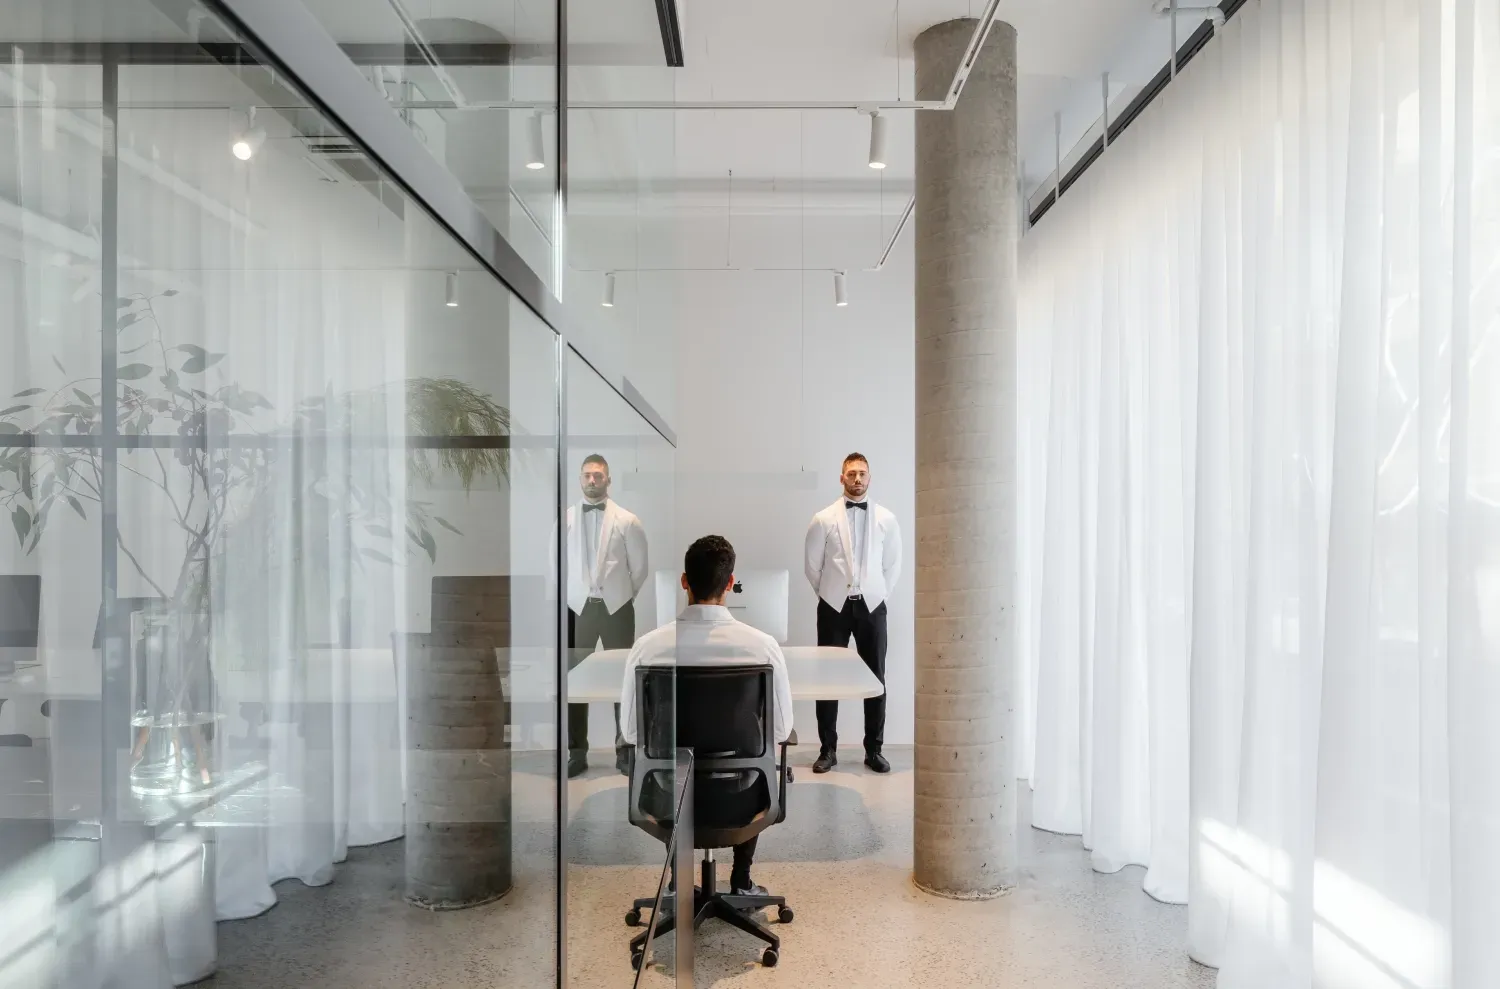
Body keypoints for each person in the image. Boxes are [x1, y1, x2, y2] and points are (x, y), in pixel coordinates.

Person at [620, 534, 793, 897]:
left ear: (684, 581)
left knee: (670, 767)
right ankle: (741, 880)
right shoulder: (762, 647)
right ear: (731, 584)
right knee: (758, 754)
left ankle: (678, 882)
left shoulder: (648, 648)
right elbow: (781, 729)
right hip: (744, 796)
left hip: (668, 796)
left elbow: (632, 733)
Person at [804, 452, 902, 774]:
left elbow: (893, 565)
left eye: (862, 473)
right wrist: (831, 594)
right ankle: (827, 750)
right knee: (826, 678)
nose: (857, 478)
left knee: (876, 678)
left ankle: (874, 750)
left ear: (869, 478)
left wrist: (877, 593)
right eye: (851, 473)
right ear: (842, 478)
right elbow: (812, 567)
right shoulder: (823, 518)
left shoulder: (886, 518)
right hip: (834, 606)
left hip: (872, 606)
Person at [564, 453, 649, 778]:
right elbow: (556, 567)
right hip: (578, 609)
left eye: (598, 475)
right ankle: (577, 752)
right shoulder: (566, 518)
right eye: (587, 475)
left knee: (621, 680)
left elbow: (639, 569)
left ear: (608, 479)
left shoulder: (628, 520)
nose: (592, 480)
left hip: (616, 608)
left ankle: (624, 750)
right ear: (579, 478)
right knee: (573, 682)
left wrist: (621, 597)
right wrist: (575, 598)